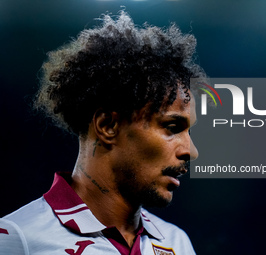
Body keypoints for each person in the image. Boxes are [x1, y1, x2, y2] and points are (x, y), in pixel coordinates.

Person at [0, 12, 205, 255]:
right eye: (172, 128)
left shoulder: (177, 243)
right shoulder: (17, 237)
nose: (191, 151)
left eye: (189, 132)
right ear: (108, 126)